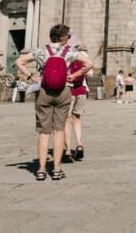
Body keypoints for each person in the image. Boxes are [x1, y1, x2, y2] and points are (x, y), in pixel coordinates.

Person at [15, 23, 93, 181]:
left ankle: (41, 170)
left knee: (44, 132)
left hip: (44, 91)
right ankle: (56, 169)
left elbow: (19, 62)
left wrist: (31, 77)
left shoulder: (41, 50)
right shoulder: (70, 51)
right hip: (63, 91)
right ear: (63, 37)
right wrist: (74, 75)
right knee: (59, 130)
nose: (69, 38)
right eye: (68, 36)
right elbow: (89, 64)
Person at [64, 45, 91, 162]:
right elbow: (90, 74)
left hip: (68, 90)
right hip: (81, 90)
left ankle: (67, 151)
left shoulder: (67, 56)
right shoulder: (84, 57)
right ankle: (79, 144)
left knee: (67, 120)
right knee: (77, 118)